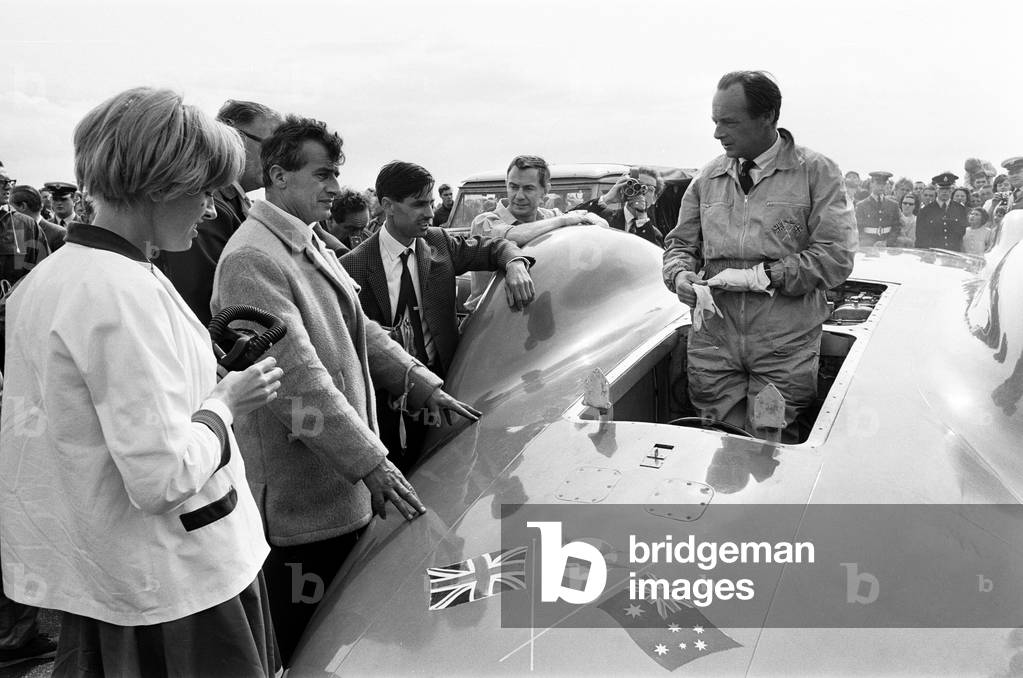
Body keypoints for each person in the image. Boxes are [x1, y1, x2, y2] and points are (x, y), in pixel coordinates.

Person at [0, 87, 283, 677]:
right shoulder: (120, 292)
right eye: (204, 192)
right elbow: (161, 476)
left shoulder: (51, 280)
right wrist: (227, 403)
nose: (209, 210)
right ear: (161, 185)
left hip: (112, 570)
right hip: (176, 583)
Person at [212, 116, 479, 665]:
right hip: (303, 506)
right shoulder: (252, 259)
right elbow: (296, 382)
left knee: (343, 643)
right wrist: (372, 464)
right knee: (309, 649)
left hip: (336, 486)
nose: (336, 187)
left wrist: (423, 386)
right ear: (279, 176)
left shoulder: (303, 242)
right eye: (324, 174)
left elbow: (362, 332)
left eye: (337, 173)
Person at [662, 70, 856, 442]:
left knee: (772, 451)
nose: (718, 133)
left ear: (767, 116)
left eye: (730, 122)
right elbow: (680, 245)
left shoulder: (815, 173)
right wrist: (680, 276)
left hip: (783, 345)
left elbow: (836, 256)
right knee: (720, 443)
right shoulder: (708, 178)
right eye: (715, 121)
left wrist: (765, 275)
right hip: (714, 344)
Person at [341, 161, 533, 469]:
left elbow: (495, 246)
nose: (429, 213)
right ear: (387, 205)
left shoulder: (438, 243)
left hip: (448, 387)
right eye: (419, 204)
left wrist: (515, 264)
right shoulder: (352, 267)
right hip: (391, 404)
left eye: (430, 202)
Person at [156, 99, 282, 325]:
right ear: (235, 137)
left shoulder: (234, 203)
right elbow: (198, 299)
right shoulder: (203, 206)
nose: (281, 158)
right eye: (273, 146)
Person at [466, 155, 604, 310]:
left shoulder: (550, 217)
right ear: (506, 185)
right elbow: (517, 235)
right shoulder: (484, 221)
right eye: (513, 187)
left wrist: (592, 220)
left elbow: (600, 226)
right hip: (486, 320)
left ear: (545, 190)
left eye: (528, 188)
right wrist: (563, 221)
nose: (519, 196)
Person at [573, 167, 669, 247]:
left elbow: (652, 259)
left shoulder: (655, 234)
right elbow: (568, 218)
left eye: (648, 189)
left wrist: (642, 217)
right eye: (637, 186)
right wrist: (607, 199)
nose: (641, 191)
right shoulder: (602, 219)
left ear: (655, 199)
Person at [916, 172, 968, 250]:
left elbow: (962, 233)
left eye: (947, 189)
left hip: (954, 254)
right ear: (937, 190)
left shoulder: (960, 209)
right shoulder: (925, 211)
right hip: (933, 255)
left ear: (951, 190)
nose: (944, 192)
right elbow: (920, 237)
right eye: (942, 189)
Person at [9, 185, 66, 251]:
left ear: (22, 206)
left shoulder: (59, 234)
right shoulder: (14, 233)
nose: (9, 212)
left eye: (11, 208)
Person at [854, 171, 902, 247]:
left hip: (888, 246)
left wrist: (887, 242)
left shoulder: (893, 205)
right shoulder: (861, 205)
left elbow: (896, 227)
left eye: (884, 184)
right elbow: (858, 229)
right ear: (871, 184)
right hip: (868, 246)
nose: (881, 186)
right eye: (878, 183)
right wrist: (870, 243)